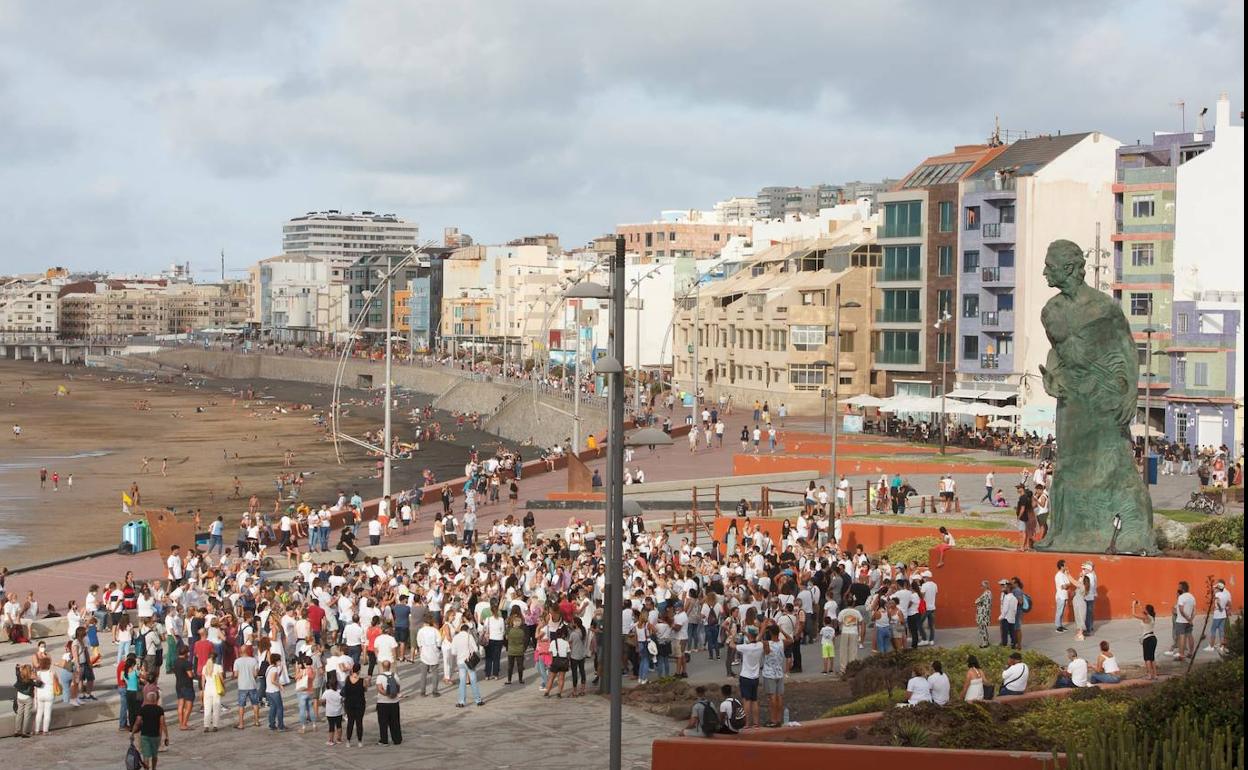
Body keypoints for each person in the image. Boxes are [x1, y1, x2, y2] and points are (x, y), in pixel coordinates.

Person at [130, 690, 169, 770]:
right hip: (156, 735)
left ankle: (146, 769)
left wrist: (132, 733)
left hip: (145, 735)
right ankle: (153, 768)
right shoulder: (159, 709)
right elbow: (163, 723)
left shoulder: (143, 709)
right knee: (155, 755)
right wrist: (166, 736)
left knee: (146, 755)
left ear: (147, 700)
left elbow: (137, 722)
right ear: (156, 699)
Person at [374, 659, 402, 745]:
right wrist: (393, 695)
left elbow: (379, 689)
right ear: (390, 666)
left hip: (383, 703)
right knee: (395, 722)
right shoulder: (395, 675)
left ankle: (384, 740)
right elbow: (398, 687)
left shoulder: (380, 677)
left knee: (383, 723)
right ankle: (397, 739)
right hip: (394, 702)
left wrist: (387, 694)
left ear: (382, 666)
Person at [341, 663, 367, 747]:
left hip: (349, 703)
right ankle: (359, 741)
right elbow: (365, 689)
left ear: (352, 669)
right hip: (360, 703)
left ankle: (348, 741)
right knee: (359, 722)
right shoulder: (362, 680)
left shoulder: (347, 679)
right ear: (359, 670)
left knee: (350, 722)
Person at [1132, 600, 1158, 680]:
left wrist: (1133, 605)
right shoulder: (1151, 617)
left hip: (1147, 639)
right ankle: (1155, 674)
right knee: (1152, 658)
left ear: (1147, 610)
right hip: (1153, 638)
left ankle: (1149, 674)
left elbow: (1134, 614)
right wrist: (1140, 605)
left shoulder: (1145, 617)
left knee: (1147, 658)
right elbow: (1143, 610)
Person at [1172, 581, 1196, 661]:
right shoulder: (1192, 597)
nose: (1178, 588)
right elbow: (1194, 610)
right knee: (1190, 635)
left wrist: (1187, 618)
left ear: (1182, 588)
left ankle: (1181, 655)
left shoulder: (1181, 597)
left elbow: (1181, 610)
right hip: (1189, 621)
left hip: (1181, 621)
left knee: (1181, 637)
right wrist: (1191, 619)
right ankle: (1191, 653)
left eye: (1179, 587)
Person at [321, 671, 344, 746]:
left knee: (331, 726)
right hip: (339, 712)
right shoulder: (339, 692)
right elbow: (342, 700)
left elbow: (323, 701)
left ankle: (331, 740)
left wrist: (324, 705)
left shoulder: (326, 692)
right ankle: (339, 739)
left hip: (330, 712)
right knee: (339, 725)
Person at [1209, 580, 1232, 652]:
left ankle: (1211, 646)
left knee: (1213, 629)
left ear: (1219, 588)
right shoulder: (1225, 594)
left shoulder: (1217, 595)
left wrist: (1219, 607)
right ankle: (1222, 646)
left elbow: (1218, 602)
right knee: (1222, 630)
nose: (1215, 589)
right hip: (1223, 615)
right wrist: (1226, 609)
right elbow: (1229, 603)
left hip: (1217, 614)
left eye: (1216, 588)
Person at [1054, 560, 1073, 633]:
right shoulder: (1059, 575)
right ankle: (1058, 626)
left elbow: (1069, 584)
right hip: (1060, 596)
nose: (1066, 566)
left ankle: (1060, 625)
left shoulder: (1064, 574)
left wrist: (1067, 585)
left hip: (1064, 596)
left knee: (1061, 611)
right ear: (1061, 566)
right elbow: (1064, 586)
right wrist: (1067, 585)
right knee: (1059, 611)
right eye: (1065, 565)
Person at [997, 579, 1018, 648]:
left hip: (1005, 617)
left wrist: (1001, 617)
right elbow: (1015, 609)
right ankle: (1013, 645)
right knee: (1012, 632)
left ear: (1008, 588)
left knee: (1004, 633)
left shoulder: (1007, 597)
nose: (1002, 588)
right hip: (1012, 617)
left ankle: (1004, 645)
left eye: (1003, 586)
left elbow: (1005, 609)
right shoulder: (1014, 598)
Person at [974, 580, 992, 648]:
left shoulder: (986, 593)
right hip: (985, 613)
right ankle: (986, 641)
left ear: (986, 586)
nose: (981, 586)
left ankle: (984, 643)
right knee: (984, 628)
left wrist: (978, 602)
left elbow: (976, 601)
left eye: (982, 585)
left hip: (982, 614)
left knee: (982, 628)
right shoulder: (989, 593)